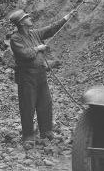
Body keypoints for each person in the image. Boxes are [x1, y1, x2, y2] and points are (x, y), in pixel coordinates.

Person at [9, 9, 70, 146]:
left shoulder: (34, 33)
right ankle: (28, 136)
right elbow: (25, 54)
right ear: (22, 23)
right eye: (26, 17)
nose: (29, 17)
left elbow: (50, 29)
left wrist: (66, 17)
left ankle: (46, 132)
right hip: (26, 77)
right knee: (28, 106)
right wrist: (38, 48)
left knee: (46, 103)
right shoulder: (15, 38)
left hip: (41, 74)